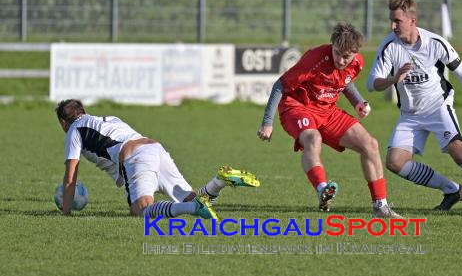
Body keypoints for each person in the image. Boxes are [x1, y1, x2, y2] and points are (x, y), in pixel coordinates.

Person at [366, 0, 462, 212]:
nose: (393, 26)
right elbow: (372, 84)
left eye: (397, 21)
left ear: (412, 20)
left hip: (438, 107)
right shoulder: (389, 46)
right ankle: (452, 189)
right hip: (410, 114)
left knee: (459, 154)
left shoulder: (434, 43)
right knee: (395, 162)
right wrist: (392, 79)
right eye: (391, 20)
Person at [257, 22, 402, 218]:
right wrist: (267, 122)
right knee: (313, 139)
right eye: (337, 53)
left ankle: (380, 206)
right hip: (297, 107)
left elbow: (345, 83)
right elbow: (280, 84)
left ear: (355, 53)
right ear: (332, 45)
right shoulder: (315, 58)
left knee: (371, 145)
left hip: (327, 110)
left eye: (346, 57)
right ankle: (323, 190)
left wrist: (358, 102)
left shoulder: (357, 62)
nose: (341, 60)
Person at [55, 99, 260, 218]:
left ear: (64, 122)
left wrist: (66, 213)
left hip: (136, 157)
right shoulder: (108, 119)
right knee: (193, 197)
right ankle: (219, 182)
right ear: (83, 112)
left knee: (141, 210)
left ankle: (192, 208)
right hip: (155, 148)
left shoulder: (75, 130)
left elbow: (70, 177)